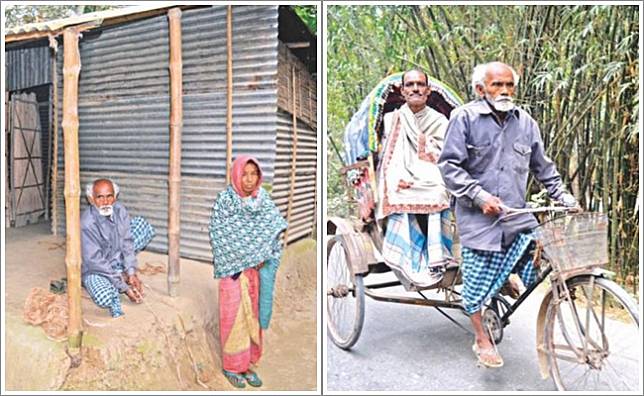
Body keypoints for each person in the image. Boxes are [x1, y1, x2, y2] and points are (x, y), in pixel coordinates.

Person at [438, 62, 577, 368]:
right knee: (474, 284)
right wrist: (479, 196)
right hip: (479, 221)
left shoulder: (526, 123)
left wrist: (564, 197)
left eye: (509, 85)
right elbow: (449, 167)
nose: (504, 91)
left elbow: (544, 168)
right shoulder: (464, 118)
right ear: (480, 89)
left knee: (542, 258)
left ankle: (506, 281)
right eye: (496, 85)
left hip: (516, 216)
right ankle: (481, 339)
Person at [208, 156, 287, 389]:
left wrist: (265, 256)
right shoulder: (225, 201)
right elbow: (219, 236)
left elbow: (274, 232)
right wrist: (246, 256)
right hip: (233, 273)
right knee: (234, 319)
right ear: (236, 175)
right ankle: (232, 366)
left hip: (256, 273)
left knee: (252, 317)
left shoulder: (263, 200)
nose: (250, 179)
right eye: (245, 173)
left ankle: (248, 363)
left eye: (254, 174)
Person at [376, 69, 454, 288]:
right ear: (402, 91)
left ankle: (437, 257)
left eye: (420, 84)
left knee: (438, 191)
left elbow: (445, 151)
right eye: (410, 85)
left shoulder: (439, 120)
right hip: (399, 172)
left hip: (430, 171)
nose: (415, 89)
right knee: (396, 190)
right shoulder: (393, 118)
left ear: (428, 91)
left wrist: (421, 141)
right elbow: (385, 155)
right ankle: (406, 255)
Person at [81, 178, 155, 318]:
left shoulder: (119, 210)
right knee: (104, 297)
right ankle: (110, 281)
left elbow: (127, 243)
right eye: (100, 197)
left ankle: (121, 272)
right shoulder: (87, 223)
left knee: (142, 225)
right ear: (91, 199)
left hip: (116, 258)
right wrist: (124, 288)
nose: (105, 202)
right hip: (95, 268)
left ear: (115, 197)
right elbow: (96, 262)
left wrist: (131, 272)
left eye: (109, 196)